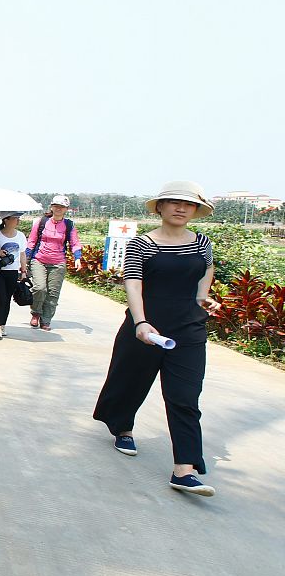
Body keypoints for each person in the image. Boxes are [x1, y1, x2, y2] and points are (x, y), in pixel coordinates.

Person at [92, 181, 221, 497]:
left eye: (188, 204)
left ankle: (184, 470)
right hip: (146, 326)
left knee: (185, 396)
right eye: (174, 202)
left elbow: (206, 270)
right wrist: (141, 322)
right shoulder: (142, 244)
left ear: (195, 210)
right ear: (160, 207)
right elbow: (133, 283)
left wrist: (203, 297)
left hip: (189, 329)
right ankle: (122, 427)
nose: (181, 208)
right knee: (130, 383)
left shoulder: (202, 243)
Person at [25, 194, 82, 331]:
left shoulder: (68, 225)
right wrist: (25, 260)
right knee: (39, 288)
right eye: (56, 206)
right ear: (51, 207)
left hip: (58, 263)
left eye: (62, 207)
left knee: (53, 293)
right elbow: (31, 241)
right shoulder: (41, 222)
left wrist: (77, 258)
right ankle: (36, 313)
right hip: (39, 259)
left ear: (66, 209)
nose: (58, 209)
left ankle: (46, 320)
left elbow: (74, 243)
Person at [0, 212, 29, 339]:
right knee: (1, 298)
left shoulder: (20, 236)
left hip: (13, 271)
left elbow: (22, 254)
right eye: (15, 218)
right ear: (6, 220)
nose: (18, 221)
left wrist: (23, 271)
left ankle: (3, 325)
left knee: (7, 299)